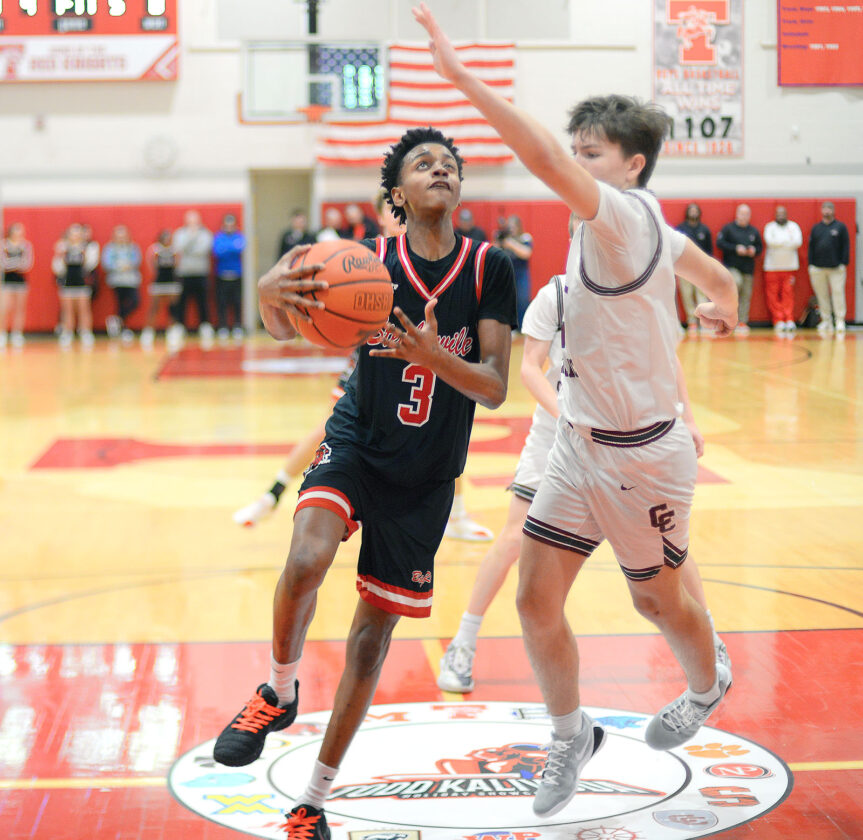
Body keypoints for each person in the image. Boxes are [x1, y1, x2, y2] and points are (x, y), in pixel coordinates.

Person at [415, 2, 737, 820]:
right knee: (534, 600)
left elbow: (539, 153)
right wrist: (725, 303)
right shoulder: (642, 225)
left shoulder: (619, 214)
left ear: (631, 166)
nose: (575, 165)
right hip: (578, 444)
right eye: (579, 152)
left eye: (592, 155)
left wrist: (459, 77)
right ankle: (570, 734)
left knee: (655, 602)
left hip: (643, 456)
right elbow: (713, 273)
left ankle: (707, 683)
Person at [213, 125, 516, 840]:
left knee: (370, 641)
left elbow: (496, 387)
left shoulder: (488, 267)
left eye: (449, 163)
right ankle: (277, 690)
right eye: (423, 163)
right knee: (305, 558)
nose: (440, 169)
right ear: (396, 195)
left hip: (426, 476)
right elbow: (282, 327)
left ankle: (311, 801)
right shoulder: (362, 263)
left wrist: (433, 356)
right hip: (358, 444)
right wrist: (267, 292)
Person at [439, 262, 728, 695]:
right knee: (514, 537)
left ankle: (711, 642)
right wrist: (569, 418)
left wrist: (686, 419)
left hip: (623, 433)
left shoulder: (637, 290)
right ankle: (463, 643)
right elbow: (530, 368)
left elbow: (667, 360)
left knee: (668, 544)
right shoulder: (555, 295)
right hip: (558, 431)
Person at [233, 189, 493, 542]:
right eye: (391, 208)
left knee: (443, 427)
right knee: (329, 428)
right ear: (381, 217)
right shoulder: (362, 259)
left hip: (421, 358)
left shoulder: (436, 256)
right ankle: (272, 495)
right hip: (371, 360)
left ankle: (456, 516)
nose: (400, 214)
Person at [716, 203, 761, 335]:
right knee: (737, 284)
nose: (744, 216)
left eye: (747, 214)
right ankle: (727, 319)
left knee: (746, 295)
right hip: (732, 266)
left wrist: (753, 250)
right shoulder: (728, 228)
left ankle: (742, 322)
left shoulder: (753, 231)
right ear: (737, 214)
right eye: (742, 214)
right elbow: (720, 243)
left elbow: (760, 247)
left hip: (748, 268)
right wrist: (735, 248)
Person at [808, 200, 850, 335]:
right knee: (822, 295)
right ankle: (826, 320)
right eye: (825, 209)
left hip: (836, 268)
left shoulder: (840, 227)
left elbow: (846, 246)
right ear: (821, 211)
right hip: (818, 268)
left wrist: (843, 263)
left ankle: (840, 320)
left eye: (829, 209)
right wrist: (811, 264)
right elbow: (811, 247)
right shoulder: (816, 228)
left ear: (833, 211)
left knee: (838, 293)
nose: (827, 211)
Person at [173, 210, 214, 341]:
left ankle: (205, 326)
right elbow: (179, 248)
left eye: (195, 220)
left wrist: (189, 248)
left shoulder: (206, 234)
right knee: (182, 302)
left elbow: (203, 250)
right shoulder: (180, 233)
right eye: (190, 221)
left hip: (201, 273)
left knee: (203, 301)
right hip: (184, 273)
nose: (192, 223)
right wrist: (191, 237)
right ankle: (180, 326)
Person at [762, 206, 803, 335]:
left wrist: (779, 243)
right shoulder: (770, 227)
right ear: (775, 215)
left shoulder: (793, 226)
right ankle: (778, 319)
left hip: (790, 267)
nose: (781, 216)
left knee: (788, 293)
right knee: (772, 294)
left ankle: (789, 319)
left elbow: (797, 242)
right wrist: (787, 242)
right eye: (778, 214)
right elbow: (770, 242)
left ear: (786, 214)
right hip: (772, 267)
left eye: (783, 213)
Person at [56, 223, 95, 349]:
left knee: (84, 308)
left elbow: (90, 265)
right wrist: (61, 256)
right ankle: (68, 332)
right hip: (67, 282)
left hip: (82, 282)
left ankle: (85, 332)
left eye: (78, 234)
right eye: (73, 234)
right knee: (67, 310)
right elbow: (57, 267)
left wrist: (84, 256)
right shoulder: (63, 248)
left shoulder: (87, 247)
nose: (75, 236)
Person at [142, 230, 184, 350]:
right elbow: (151, 264)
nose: (167, 240)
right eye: (165, 238)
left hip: (172, 281)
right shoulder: (155, 250)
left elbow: (178, 264)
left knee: (173, 307)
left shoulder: (175, 250)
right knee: (154, 307)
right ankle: (149, 331)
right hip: (159, 281)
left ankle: (172, 331)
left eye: (169, 238)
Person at [675, 203, 712, 335]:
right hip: (684, 267)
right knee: (687, 294)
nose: (693, 212)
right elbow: (675, 248)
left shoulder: (704, 229)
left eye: (695, 210)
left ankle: (704, 321)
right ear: (687, 212)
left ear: (699, 213)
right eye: (691, 210)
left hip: (701, 267)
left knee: (702, 294)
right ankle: (692, 322)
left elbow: (709, 251)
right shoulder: (680, 229)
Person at [102, 225, 143, 344]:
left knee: (135, 301)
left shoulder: (132, 247)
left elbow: (137, 261)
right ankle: (122, 329)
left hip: (131, 280)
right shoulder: (110, 248)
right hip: (117, 280)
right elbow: (106, 263)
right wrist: (119, 266)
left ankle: (116, 320)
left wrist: (128, 265)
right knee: (120, 303)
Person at [0, 222, 34, 350]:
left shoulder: (26, 246)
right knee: (4, 308)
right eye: (16, 231)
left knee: (20, 308)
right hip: (6, 281)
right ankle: (2, 333)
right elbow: (3, 264)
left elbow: (27, 264)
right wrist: (17, 263)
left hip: (21, 281)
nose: (19, 234)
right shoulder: (4, 245)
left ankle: (17, 334)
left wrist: (13, 264)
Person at [496, 214, 534, 329]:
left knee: (522, 300)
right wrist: (499, 240)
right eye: (509, 227)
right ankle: (511, 327)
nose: (511, 229)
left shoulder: (525, 238)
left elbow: (526, 253)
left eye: (514, 226)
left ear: (519, 226)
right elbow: (493, 252)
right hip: (506, 274)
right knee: (507, 301)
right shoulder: (503, 238)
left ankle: (523, 326)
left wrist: (510, 243)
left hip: (521, 273)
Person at [213, 213, 247, 341]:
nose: (229, 227)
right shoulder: (218, 237)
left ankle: (237, 326)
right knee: (222, 302)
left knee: (237, 302)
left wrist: (226, 248)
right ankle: (223, 327)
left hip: (236, 274)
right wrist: (231, 247)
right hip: (222, 275)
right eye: (227, 224)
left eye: (231, 224)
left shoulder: (239, 236)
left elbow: (240, 248)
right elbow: (217, 252)